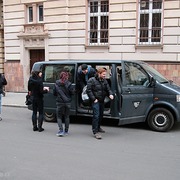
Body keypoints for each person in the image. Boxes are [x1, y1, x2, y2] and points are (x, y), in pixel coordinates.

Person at [87, 67, 114, 139]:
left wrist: (110, 94)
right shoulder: (91, 80)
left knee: (101, 115)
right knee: (96, 115)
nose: (105, 76)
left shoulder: (104, 80)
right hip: (95, 101)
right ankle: (95, 132)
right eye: (103, 74)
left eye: (105, 74)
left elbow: (108, 89)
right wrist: (93, 99)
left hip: (102, 100)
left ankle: (98, 127)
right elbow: (88, 91)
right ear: (99, 74)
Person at [53, 71, 75, 137]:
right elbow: (72, 93)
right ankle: (66, 131)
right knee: (67, 116)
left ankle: (60, 130)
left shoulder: (57, 83)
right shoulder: (69, 84)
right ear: (67, 77)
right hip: (67, 102)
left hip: (59, 102)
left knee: (59, 117)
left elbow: (54, 93)